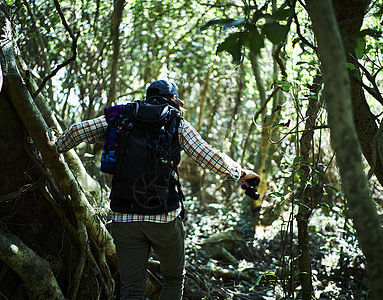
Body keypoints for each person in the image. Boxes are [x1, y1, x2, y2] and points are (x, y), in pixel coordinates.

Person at [47, 80, 260, 299]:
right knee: (174, 278)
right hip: (164, 216)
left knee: (131, 287)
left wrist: (58, 146)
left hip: (124, 215)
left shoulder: (122, 116)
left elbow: (80, 129)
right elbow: (207, 156)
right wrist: (241, 174)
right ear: (174, 100)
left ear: (148, 97)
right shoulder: (176, 122)